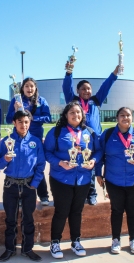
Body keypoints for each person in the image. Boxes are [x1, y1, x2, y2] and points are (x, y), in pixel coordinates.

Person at [43, 101, 100, 259]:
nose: (76, 115)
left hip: (82, 179)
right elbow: (47, 152)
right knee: (61, 211)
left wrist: (94, 161)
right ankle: (55, 243)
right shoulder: (56, 132)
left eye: (78, 113)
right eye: (72, 113)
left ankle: (76, 241)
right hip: (61, 178)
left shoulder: (89, 132)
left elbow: (98, 151)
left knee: (76, 212)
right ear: (66, 115)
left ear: (82, 115)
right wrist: (60, 162)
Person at [95, 107, 134, 255]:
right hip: (113, 181)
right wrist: (98, 174)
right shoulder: (108, 134)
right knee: (116, 211)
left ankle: (133, 240)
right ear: (117, 118)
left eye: (128, 115)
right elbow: (99, 154)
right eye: (122, 115)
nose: (125, 118)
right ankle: (115, 240)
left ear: (132, 118)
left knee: (133, 211)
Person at [62, 61, 120, 206]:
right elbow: (66, 87)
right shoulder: (73, 101)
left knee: (93, 165)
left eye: (88, 89)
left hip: (95, 139)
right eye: (83, 89)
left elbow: (106, 87)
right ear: (78, 91)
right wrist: (69, 73)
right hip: (78, 139)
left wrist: (114, 74)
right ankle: (79, 192)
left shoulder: (96, 101)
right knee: (80, 164)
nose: (86, 91)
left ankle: (92, 193)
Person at [0, 110, 45, 262]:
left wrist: (35, 183)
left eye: (26, 122)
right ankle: (10, 249)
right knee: (10, 219)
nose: (23, 125)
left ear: (29, 123)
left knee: (28, 219)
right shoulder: (7, 141)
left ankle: (27, 248)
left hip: (28, 186)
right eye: (20, 122)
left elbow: (41, 164)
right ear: (14, 123)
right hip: (10, 185)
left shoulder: (35, 142)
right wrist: (5, 159)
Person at [6, 77, 51, 206]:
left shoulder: (41, 101)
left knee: (37, 165)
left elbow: (47, 118)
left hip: (35, 137)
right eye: (26, 86)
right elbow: (9, 119)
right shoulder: (16, 100)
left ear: (35, 88)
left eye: (32, 86)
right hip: (19, 137)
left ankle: (43, 195)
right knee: (21, 164)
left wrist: (31, 117)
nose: (29, 88)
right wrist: (15, 110)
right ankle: (20, 196)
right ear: (22, 88)